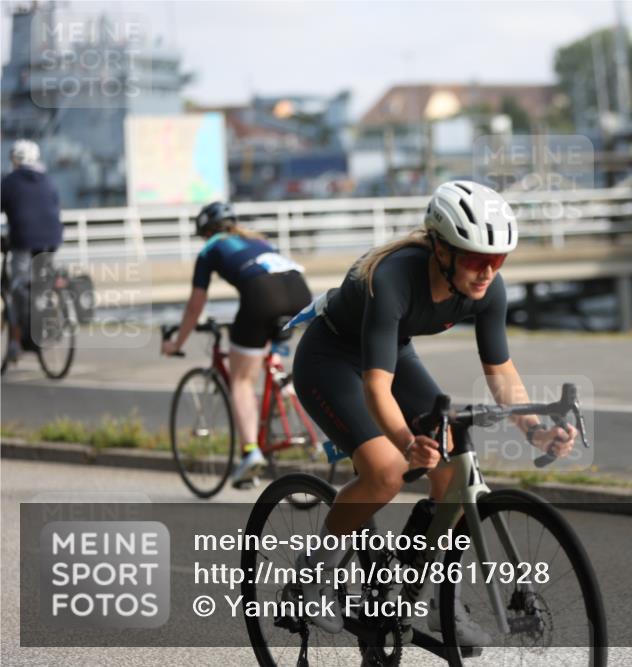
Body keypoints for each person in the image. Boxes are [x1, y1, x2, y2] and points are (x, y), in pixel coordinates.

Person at [290, 180, 578, 641]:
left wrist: (536, 431)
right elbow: (376, 389)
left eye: (497, 260)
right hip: (329, 360)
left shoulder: (487, 290)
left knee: (456, 478)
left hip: (391, 354)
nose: (487, 272)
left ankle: (436, 603)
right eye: (475, 259)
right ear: (441, 250)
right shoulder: (392, 279)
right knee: (386, 471)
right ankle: (311, 578)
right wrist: (409, 443)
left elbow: (500, 371)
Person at [161, 202, 312, 486]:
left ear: (206, 232)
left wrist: (176, 342)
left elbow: (195, 306)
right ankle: (283, 391)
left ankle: (251, 452)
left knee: (241, 380)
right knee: (265, 345)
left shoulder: (210, 249)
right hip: (300, 293)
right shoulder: (258, 239)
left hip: (262, 296)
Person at [1, 139, 63, 362]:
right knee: (41, 282)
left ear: (14, 160)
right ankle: (47, 319)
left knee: (18, 286)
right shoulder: (48, 180)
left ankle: (18, 341)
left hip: (24, 240)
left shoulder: (8, 182)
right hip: (51, 240)